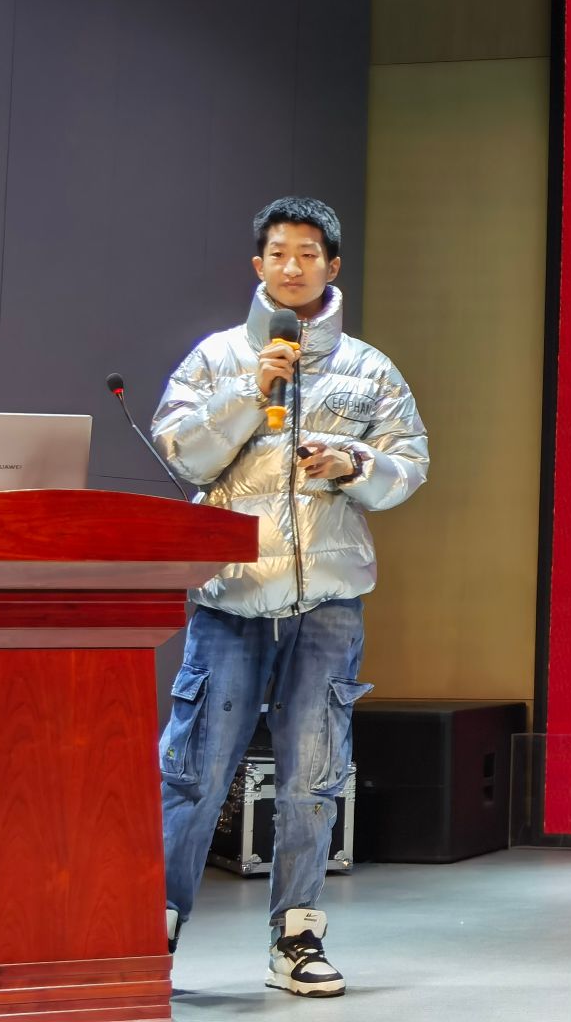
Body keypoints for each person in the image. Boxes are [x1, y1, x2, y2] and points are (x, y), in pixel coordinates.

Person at [152, 196, 428, 996]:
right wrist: (250, 390)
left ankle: (298, 937)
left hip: (326, 606)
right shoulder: (215, 357)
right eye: (278, 253)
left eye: (308, 254)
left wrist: (353, 464)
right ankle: (149, 930)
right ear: (258, 265)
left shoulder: (371, 369)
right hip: (230, 599)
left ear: (332, 266)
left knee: (314, 775)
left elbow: (409, 466)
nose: (292, 266)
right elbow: (181, 454)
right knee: (195, 770)